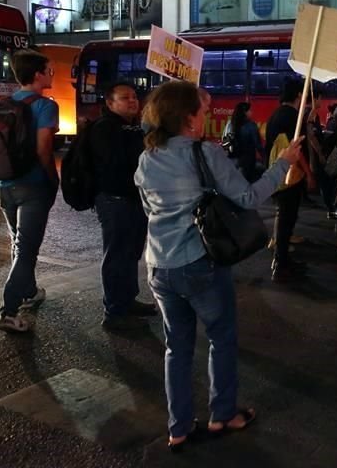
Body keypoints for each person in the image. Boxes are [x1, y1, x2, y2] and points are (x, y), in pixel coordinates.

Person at [135, 80, 301, 451]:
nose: (207, 115)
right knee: (221, 337)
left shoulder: (147, 157)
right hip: (199, 262)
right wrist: (281, 166)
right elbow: (246, 196)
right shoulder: (203, 154)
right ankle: (222, 414)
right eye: (202, 110)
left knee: (175, 348)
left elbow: (149, 210)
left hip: (159, 266)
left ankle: (178, 427)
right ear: (188, 118)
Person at [0, 50, 59, 333]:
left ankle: (29, 291)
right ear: (38, 74)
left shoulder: (1, 104)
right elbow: (44, 148)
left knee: (18, 243)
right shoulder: (45, 106)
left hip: (3, 184)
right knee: (27, 249)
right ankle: (8, 311)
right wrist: (51, 178)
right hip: (31, 185)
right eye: (49, 69)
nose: (52, 74)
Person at [88, 82, 156, 331]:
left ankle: (127, 300)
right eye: (125, 98)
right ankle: (114, 312)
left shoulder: (133, 127)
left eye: (134, 97)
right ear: (110, 103)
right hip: (115, 199)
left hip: (133, 198)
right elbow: (119, 164)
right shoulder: (106, 128)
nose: (132, 101)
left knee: (131, 252)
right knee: (117, 255)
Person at [264, 79, 312, 282]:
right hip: (290, 174)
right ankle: (280, 264)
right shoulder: (293, 116)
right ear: (299, 95)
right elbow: (296, 148)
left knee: (284, 217)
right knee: (286, 218)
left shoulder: (276, 114)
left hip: (277, 172)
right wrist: (309, 173)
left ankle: (283, 260)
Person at [224, 102, 264, 183]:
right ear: (245, 112)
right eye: (250, 110)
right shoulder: (251, 126)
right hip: (247, 163)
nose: (251, 112)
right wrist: (266, 159)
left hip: (232, 162)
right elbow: (258, 146)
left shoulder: (230, 124)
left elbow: (225, 142)